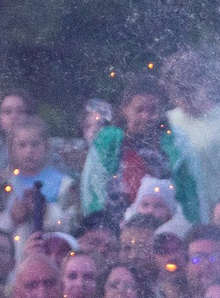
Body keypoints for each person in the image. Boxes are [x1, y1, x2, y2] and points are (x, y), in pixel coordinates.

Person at [83, 81, 200, 225]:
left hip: (163, 228)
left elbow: (190, 195)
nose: (146, 116)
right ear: (125, 109)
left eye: (152, 110)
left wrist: (192, 226)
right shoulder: (108, 143)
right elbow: (92, 190)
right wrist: (97, 226)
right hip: (115, 227)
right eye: (139, 110)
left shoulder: (176, 143)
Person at [162, 51, 220, 223]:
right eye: (177, 93)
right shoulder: (167, 122)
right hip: (175, 219)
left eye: (189, 90)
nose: (184, 99)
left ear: (203, 83)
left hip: (214, 219)